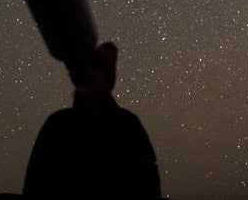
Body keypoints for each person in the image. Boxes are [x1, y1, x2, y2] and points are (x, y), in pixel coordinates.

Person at [23, 42, 160, 199]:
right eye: (85, 68)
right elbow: (35, 184)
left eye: (96, 68)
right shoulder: (57, 126)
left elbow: (148, 185)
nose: (88, 73)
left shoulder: (127, 126)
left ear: (107, 78)